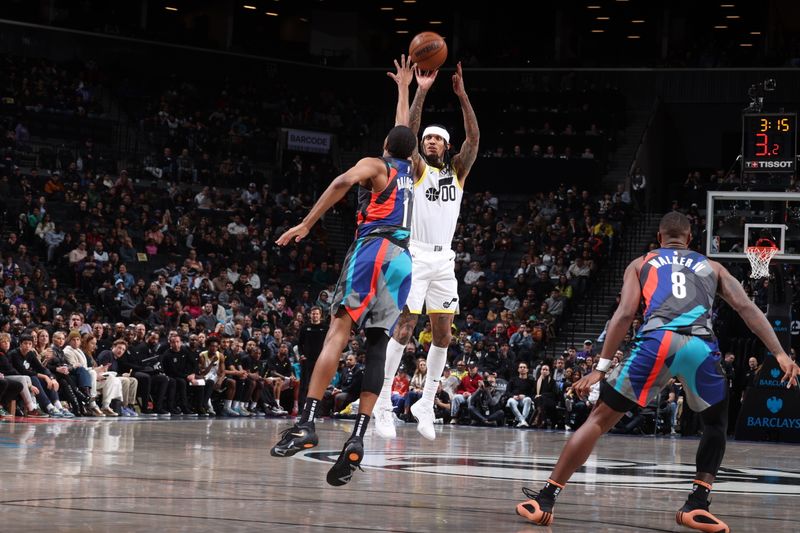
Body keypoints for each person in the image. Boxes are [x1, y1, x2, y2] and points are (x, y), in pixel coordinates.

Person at [515, 212, 800, 531]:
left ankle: (545, 500)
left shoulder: (641, 263)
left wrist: (601, 368)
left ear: (660, 238)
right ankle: (697, 503)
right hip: (700, 347)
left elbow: (624, 316)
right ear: (690, 239)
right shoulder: (713, 267)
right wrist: (779, 353)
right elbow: (747, 308)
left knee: (598, 419)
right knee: (715, 424)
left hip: (657, 342)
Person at [269, 56, 417, 487]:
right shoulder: (413, 168)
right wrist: (404, 90)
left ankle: (308, 424)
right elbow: (403, 134)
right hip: (403, 261)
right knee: (375, 348)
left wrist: (306, 223)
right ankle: (357, 438)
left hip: (373, 249)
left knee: (337, 334)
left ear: (385, 145)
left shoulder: (378, 164)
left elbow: (340, 182)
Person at [374, 60, 480, 441]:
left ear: (447, 146)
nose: (430, 141)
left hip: (444, 259)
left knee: (443, 336)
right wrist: (422, 90)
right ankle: (383, 402)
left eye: (437, 139)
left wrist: (463, 96)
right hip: (415, 254)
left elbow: (474, 139)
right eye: (428, 139)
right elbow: (409, 129)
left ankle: (426, 402)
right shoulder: (417, 168)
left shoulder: (458, 170)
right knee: (404, 326)